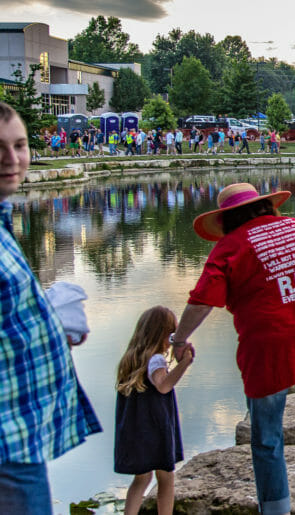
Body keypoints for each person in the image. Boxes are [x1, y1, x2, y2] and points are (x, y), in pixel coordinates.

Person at [171, 183, 295, 514]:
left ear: (226, 219)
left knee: (267, 434)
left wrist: (179, 339)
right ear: (265, 206)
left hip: (268, 345)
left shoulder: (230, 246)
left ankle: (276, 508)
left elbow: (201, 302)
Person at [0, 102, 101, 513]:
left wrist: (47, 328)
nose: (12, 159)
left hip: (22, 433)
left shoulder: (4, 225)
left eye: (20, 145)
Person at [115, 306, 194, 515]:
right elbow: (163, 385)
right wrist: (185, 363)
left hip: (136, 431)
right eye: (172, 335)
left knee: (141, 479)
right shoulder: (156, 359)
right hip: (155, 430)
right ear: (162, 334)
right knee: (166, 478)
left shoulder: (132, 359)